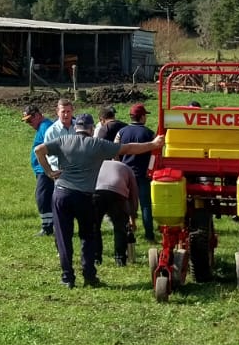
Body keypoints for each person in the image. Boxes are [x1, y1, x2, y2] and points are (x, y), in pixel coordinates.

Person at [35, 113, 163, 288]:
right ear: (91, 129)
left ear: (76, 128)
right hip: (84, 196)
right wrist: (153, 144)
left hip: (61, 193)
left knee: (63, 237)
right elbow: (128, 148)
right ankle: (89, 276)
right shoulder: (97, 144)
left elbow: (39, 150)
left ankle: (67, 278)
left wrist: (49, 172)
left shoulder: (63, 140)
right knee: (88, 236)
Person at [116, 101, 157, 242]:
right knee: (145, 204)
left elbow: (115, 151)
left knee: (127, 203)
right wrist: (150, 170)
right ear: (141, 117)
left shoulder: (121, 132)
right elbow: (155, 155)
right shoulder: (149, 134)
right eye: (145, 115)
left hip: (126, 173)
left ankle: (129, 229)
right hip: (143, 174)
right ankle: (149, 235)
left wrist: (119, 166)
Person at [94, 156, 139, 267]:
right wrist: (132, 218)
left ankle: (96, 258)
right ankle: (120, 259)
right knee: (120, 227)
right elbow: (133, 196)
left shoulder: (98, 163)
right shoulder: (126, 168)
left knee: (95, 227)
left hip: (97, 192)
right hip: (117, 193)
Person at [23, 104, 54, 235]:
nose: (29, 124)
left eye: (30, 120)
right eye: (26, 121)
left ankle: (47, 227)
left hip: (45, 169)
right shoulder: (42, 127)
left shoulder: (46, 127)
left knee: (42, 197)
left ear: (37, 115)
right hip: (41, 169)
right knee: (44, 197)